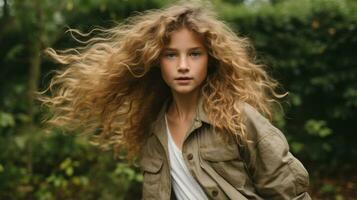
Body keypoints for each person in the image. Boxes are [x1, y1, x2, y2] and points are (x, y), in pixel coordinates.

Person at [38, 0, 311, 199]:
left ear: (211, 60)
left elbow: (290, 192)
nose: (182, 65)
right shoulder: (154, 130)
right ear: (157, 61)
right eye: (171, 54)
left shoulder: (239, 118)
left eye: (194, 54)